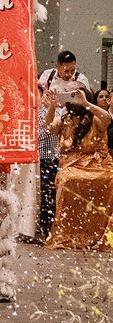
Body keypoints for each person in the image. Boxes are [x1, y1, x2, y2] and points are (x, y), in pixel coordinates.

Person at [46, 88, 113, 250]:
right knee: (66, 180)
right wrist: (52, 107)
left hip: (98, 164)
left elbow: (107, 119)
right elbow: (49, 127)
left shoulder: (95, 118)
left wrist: (86, 103)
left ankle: (102, 236)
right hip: (72, 164)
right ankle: (69, 235)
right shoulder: (65, 119)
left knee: (111, 179)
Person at [38, 88, 60, 240]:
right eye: (44, 96)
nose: (46, 99)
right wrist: (50, 108)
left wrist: (53, 108)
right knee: (45, 195)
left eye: (49, 96)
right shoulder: (35, 114)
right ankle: (45, 227)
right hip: (42, 159)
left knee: (54, 194)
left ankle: (53, 226)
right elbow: (46, 131)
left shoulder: (59, 112)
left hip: (56, 158)